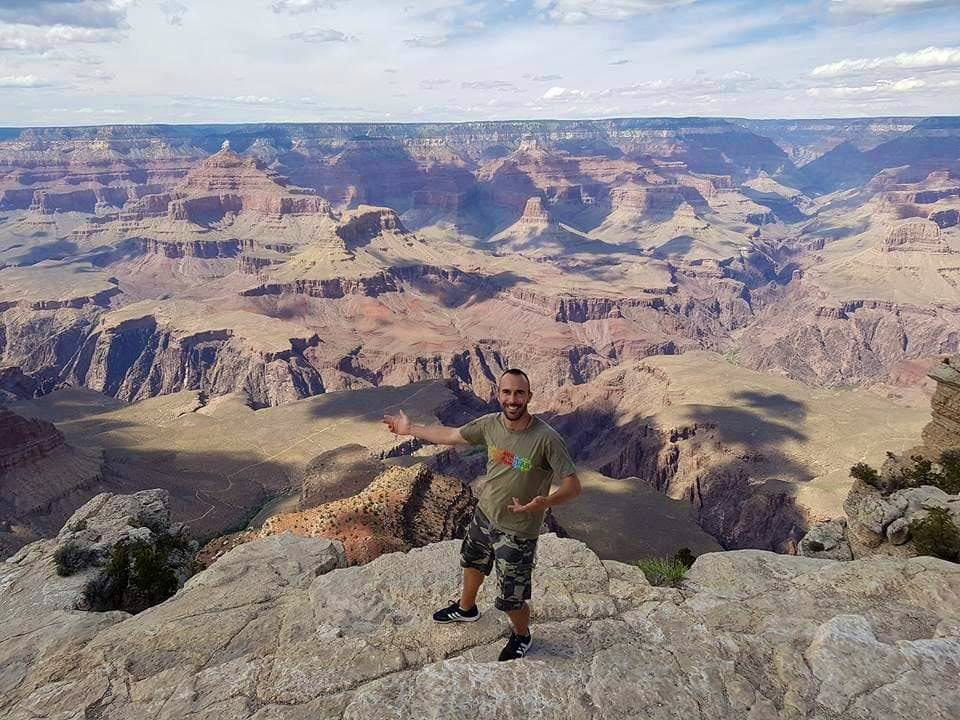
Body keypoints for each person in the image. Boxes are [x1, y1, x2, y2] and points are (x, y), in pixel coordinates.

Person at [382, 368, 581, 661]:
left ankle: (522, 635)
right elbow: (451, 435)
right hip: (485, 515)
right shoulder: (490, 425)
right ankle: (466, 608)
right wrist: (411, 429)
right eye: (507, 392)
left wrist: (545, 502)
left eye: (519, 393)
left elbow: (573, 486)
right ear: (498, 394)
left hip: (518, 530)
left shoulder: (546, 439)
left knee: (512, 597)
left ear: (529, 396)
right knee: (472, 562)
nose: (512, 399)